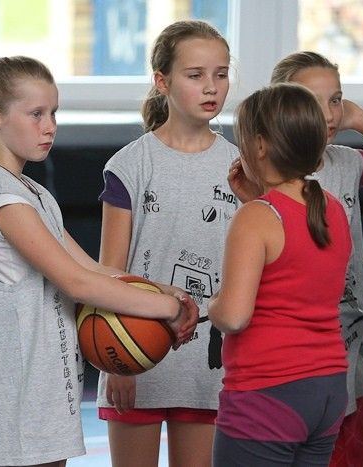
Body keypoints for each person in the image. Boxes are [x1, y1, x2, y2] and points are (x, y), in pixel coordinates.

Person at [0, 56, 198, 467]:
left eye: (54, 113)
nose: (50, 126)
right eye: (36, 114)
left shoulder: (32, 193)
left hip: (43, 396)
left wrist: (168, 291)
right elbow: (76, 284)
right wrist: (167, 309)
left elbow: (92, 268)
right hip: (12, 404)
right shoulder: (2, 198)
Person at [94, 20, 239, 467]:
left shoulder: (243, 166)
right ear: (162, 81)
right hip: (134, 355)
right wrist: (117, 363)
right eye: (195, 75)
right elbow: (110, 272)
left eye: (221, 74)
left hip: (209, 366)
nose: (211, 87)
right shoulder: (131, 165)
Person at [269, 51, 363, 467]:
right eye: (312, 101)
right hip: (293, 366)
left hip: (352, 358)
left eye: (335, 100)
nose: (329, 114)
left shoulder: (348, 163)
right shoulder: (259, 171)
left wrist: (361, 119)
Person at [208, 82, 352, 466]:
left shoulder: (257, 218)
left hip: (269, 390)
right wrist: (257, 201)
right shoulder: (332, 209)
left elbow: (234, 317)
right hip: (328, 390)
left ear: (259, 146)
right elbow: (298, 267)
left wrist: (210, 303)